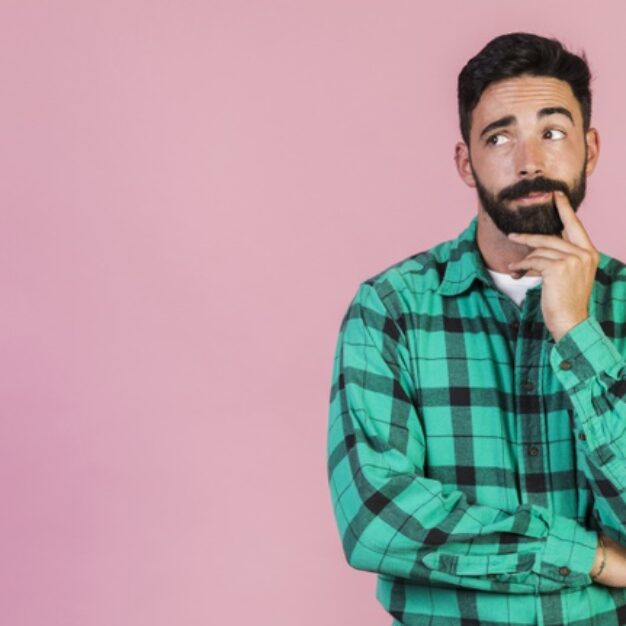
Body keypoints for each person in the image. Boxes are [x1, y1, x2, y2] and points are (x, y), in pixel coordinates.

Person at [326, 31, 626, 625]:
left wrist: (575, 331)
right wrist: (588, 557)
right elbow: (375, 519)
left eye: (553, 132)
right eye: (500, 137)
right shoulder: (391, 309)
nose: (529, 161)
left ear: (590, 150)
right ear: (466, 162)